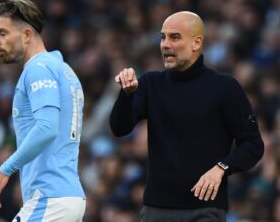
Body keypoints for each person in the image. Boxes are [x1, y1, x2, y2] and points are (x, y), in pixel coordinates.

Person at [109, 11, 264, 222]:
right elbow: (120, 128)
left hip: (204, 209)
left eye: (175, 37)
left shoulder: (225, 88)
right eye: (162, 37)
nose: (165, 44)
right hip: (156, 209)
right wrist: (126, 96)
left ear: (196, 43)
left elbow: (253, 144)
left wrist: (221, 168)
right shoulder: (150, 84)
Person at [0, 0, 86, 221]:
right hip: (67, 196)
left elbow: (47, 127)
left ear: (27, 34)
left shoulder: (38, 69)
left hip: (50, 198)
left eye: (2, 33)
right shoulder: (63, 70)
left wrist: (4, 171)